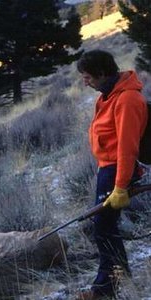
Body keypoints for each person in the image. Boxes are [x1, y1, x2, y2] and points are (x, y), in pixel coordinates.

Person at [76, 50, 148, 300]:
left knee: (103, 228)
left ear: (103, 73)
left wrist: (120, 186)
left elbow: (128, 149)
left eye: (88, 77)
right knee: (105, 227)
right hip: (107, 169)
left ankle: (104, 289)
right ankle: (120, 278)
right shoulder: (107, 95)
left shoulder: (127, 100)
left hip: (118, 171)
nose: (85, 82)